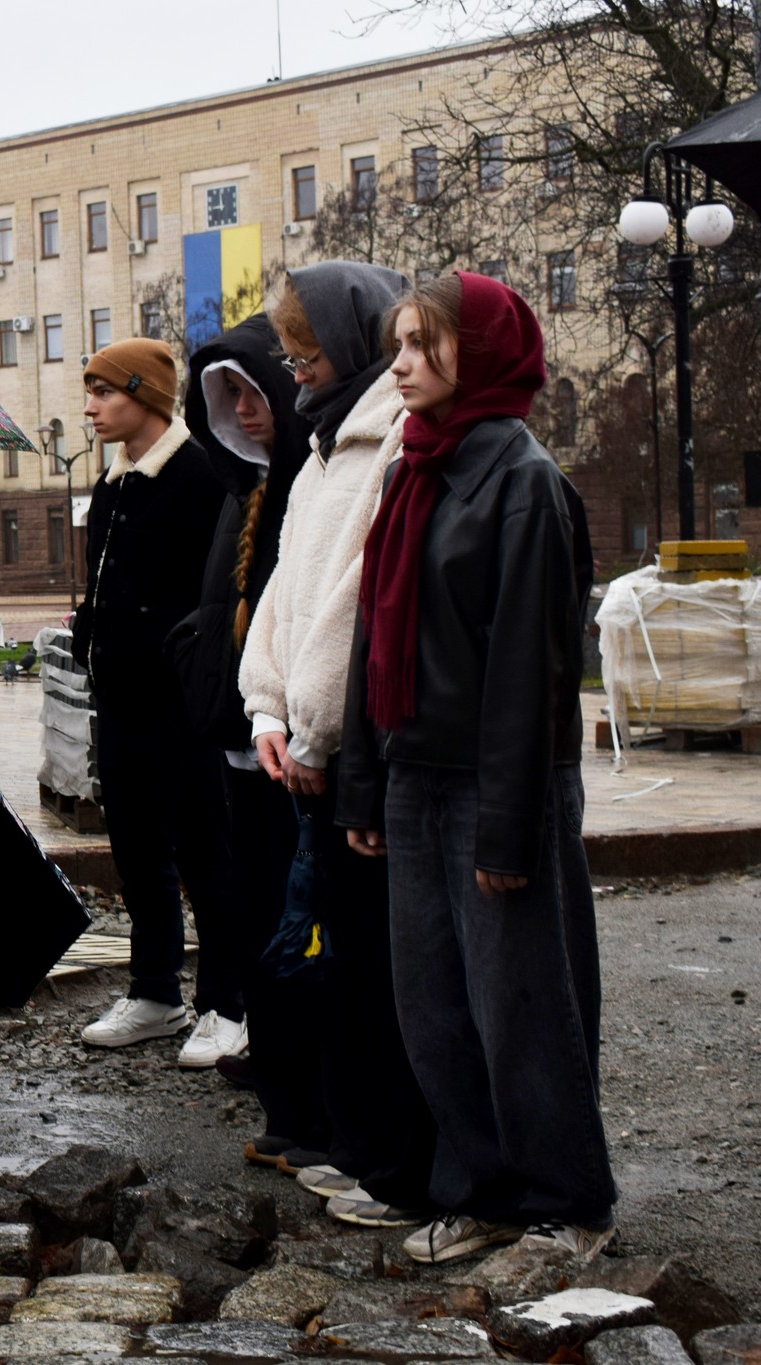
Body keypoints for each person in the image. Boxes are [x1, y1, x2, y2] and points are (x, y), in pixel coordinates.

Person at [338, 272, 613, 1265]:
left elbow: (527, 680)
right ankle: (482, 1189)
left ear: (481, 355)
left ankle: (563, 1204)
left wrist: (506, 830)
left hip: (495, 782)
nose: (401, 364)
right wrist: (364, 785)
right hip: (412, 779)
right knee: (435, 1007)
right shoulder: (415, 466)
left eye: (423, 345)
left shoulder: (521, 482)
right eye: (398, 343)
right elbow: (377, 639)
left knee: (520, 1006)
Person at [238, 261, 437, 1230]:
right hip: (309, 748)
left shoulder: (385, 438)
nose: (294, 368)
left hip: (358, 752)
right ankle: (356, 1143)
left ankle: (387, 1156)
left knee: (371, 966)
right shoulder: (323, 445)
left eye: (307, 351)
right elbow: (284, 592)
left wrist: (307, 722)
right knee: (336, 960)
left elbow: (352, 604)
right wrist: (265, 707)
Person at [68, 340, 231, 1062]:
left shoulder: (197, 477)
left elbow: (206, 594)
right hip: (120, 702)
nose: (91, 407)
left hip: (180, 707)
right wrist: (86, 635)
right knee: (137, 854)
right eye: (90, 391)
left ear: (147, 395)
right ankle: (155, 991)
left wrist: (185, 669)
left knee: (205, 852)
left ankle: (229, 1002)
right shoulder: (116, 482)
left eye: (105, 392)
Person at [175, 316, 313, 1075]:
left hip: (285, 730)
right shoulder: (245, 485)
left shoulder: (301, 485)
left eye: (253, 389)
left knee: (290, 892)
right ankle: (270, 1034)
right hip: (237, 719)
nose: (244, 407)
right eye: (229, 395)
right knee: (252, 887)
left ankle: (293, 1046)